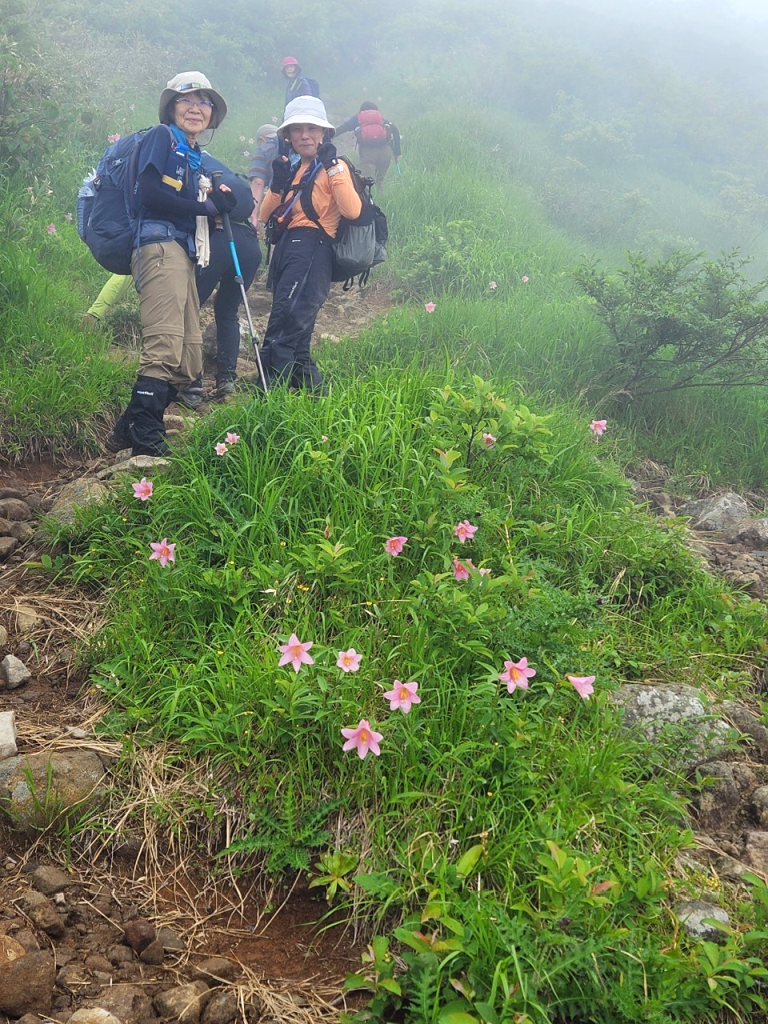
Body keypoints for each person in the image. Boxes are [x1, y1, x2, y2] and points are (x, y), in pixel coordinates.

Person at [105, 71, 237, 456]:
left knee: (189, 355)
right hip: (158, 246)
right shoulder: (162, 137)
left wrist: (214, 209)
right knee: (164, 346)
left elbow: (185, 204)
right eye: (186, 100)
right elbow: (149, 194)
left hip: (181, 251)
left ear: (212, 115)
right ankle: (147, 437)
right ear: (171, 107)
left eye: (204, 102)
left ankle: (126, 428)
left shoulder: (193, 153)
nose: (196, 108)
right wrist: (205, 206)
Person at [258, 96, 362, 392]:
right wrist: (277, 185)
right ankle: (318, 403)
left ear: (324, 133)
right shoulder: (293, 169)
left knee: (281, 331)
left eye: (312, 129)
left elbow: (352, 210)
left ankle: (265, 401)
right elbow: (266, 215)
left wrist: (332, 165)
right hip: (289, 249)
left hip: (312, 248)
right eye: (297, 129)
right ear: (288, 137)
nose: (305, 135)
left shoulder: (335, 166)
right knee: (297, 341)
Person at [335, 102, 401, 189]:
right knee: (379, 180)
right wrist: (397, 152)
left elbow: (344, 128)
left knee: (365, 183)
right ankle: (381, 199)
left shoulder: (358, 118)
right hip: (385, 152)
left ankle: (365, 201)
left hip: (368, 154)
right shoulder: (380, 119)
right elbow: (395, 129)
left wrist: (327, 135)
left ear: (361, 111)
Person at [247, 123, 280, 238]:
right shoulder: (294, 144)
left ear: (262, 139)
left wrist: (253, 217)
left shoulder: (263, 149)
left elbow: (258, 182)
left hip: (281, 208)